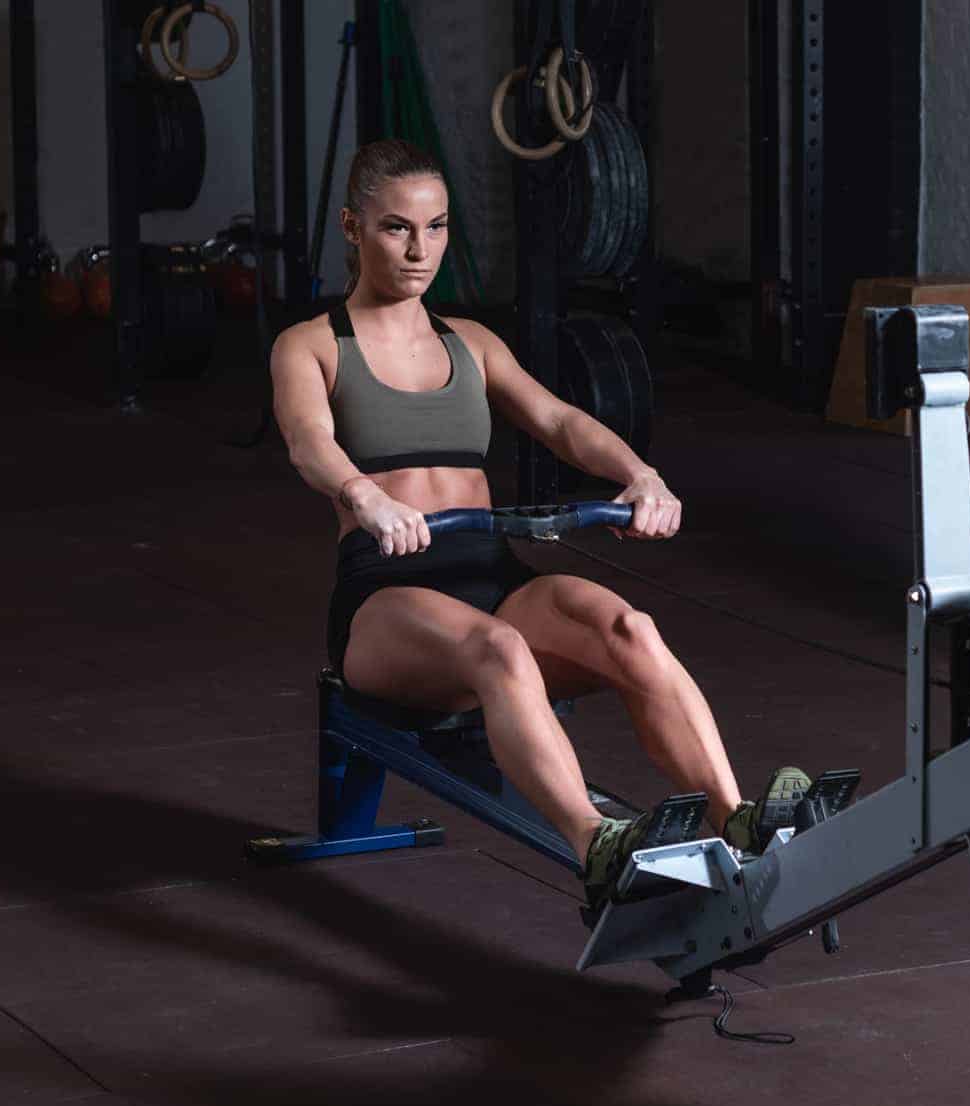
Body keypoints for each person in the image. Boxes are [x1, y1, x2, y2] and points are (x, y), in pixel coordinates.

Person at [270, 139, 805, 913]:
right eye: (396, 229)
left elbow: (558, 420)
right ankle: (597, 846)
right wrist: (365, 498)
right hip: (387, 595)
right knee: (499, 650)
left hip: (488, 570)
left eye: (437, 226)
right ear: (353, 228)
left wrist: (638, 475)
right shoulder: (312, 344)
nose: (421, 250)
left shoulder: (472, 344)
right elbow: (307, 441)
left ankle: (739, 817)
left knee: (628, 627)